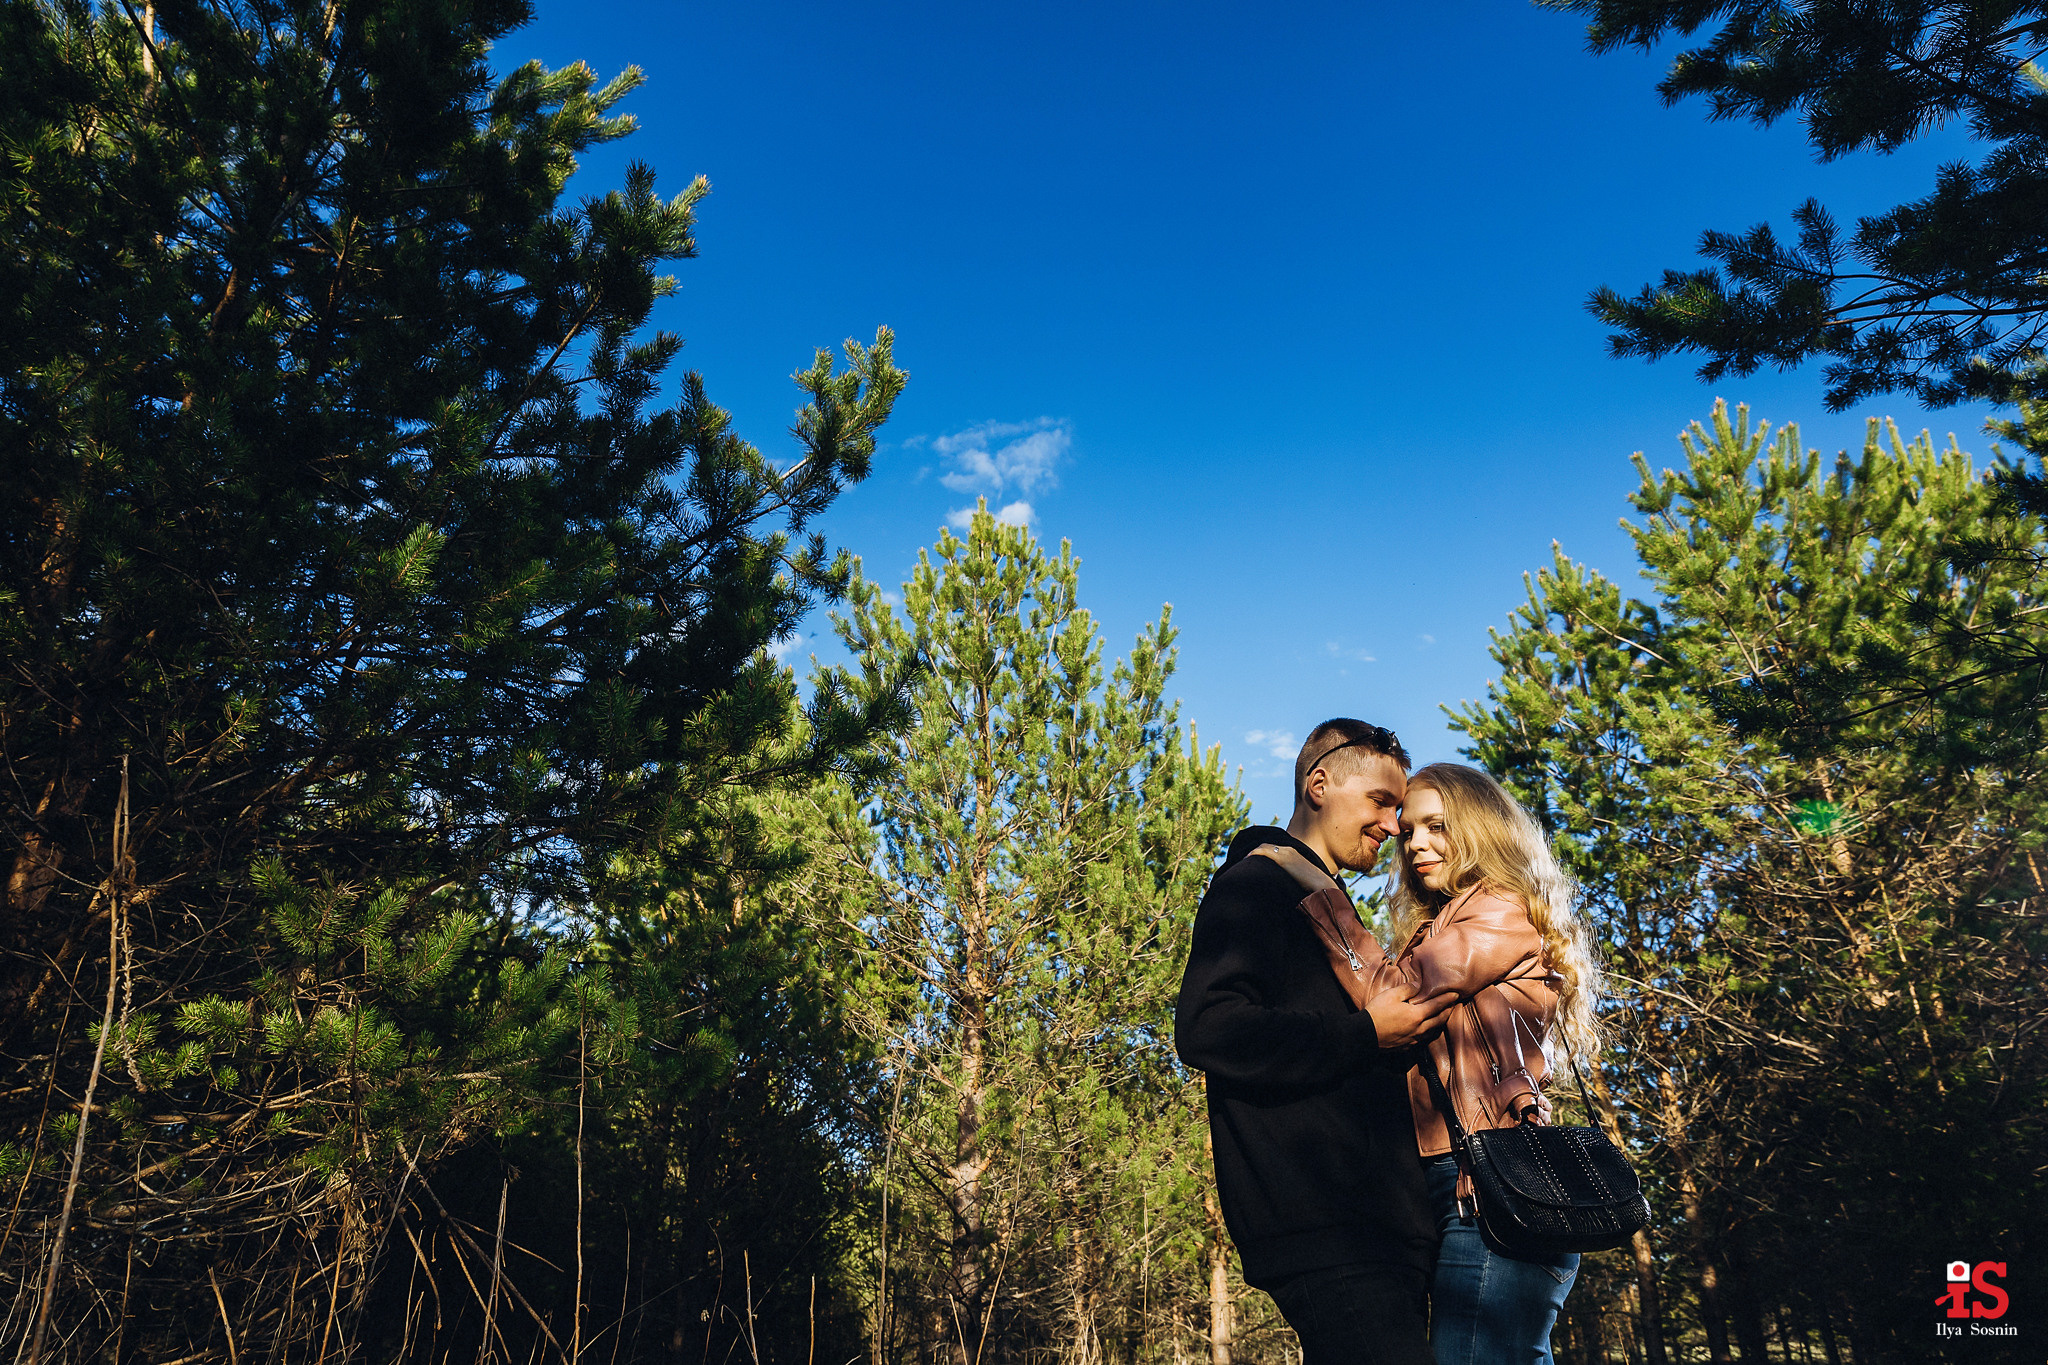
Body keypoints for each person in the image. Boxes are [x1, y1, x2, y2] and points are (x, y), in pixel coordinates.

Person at [1174, 720, 1460, 1365]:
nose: (1392, 827)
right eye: (1381, 802)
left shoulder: (1329, 908)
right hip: (1329, 1226)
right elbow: (1207, 1027)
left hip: (1383, 1230)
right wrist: (1367, 1034)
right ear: (1319, 784)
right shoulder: (1256, 887)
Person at [1389, 762, 1606, 1365]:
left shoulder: (1498, 912)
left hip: (1490, 1186)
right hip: (1461, 1184)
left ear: (1480, 827)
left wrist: (1319, 902)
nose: (1417, 845)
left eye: (1437, 826)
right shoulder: (1442, 924)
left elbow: (1393, 995)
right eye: (1408, 831)